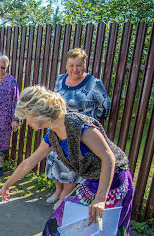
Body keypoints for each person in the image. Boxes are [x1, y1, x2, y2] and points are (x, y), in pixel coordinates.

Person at [0, 86, 134, 236]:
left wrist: (100, 199)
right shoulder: (53, 134)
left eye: (28, 118)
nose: (28, 124)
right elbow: (30, 162)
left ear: (39, 113)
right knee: (57, 227)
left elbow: (108, 158)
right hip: (92, 182)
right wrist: (8, 184)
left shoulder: (79, 125)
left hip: (113, 183)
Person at [46, 48, 111, 210]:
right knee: (56, 158)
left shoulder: (93, 83)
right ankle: (57, 190)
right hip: (59, 129)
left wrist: (89, 121)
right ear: (66, 65)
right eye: (71, 65)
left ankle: (64, 196)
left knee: (72, 164)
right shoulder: (60, 80)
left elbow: (104, 106)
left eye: (79, 65)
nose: (75, 69)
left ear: (85, 64)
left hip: (80, 133)